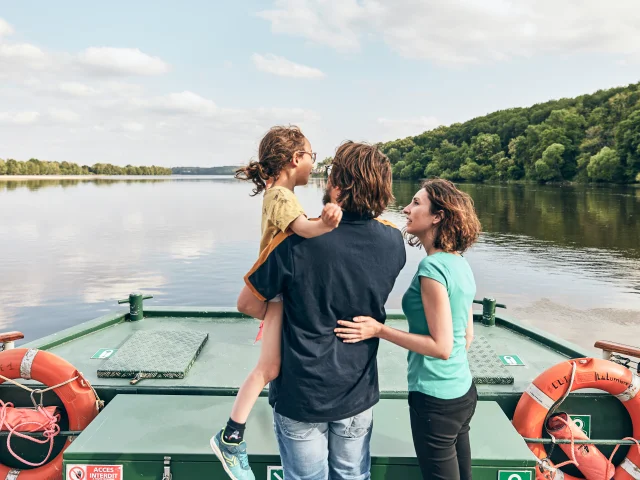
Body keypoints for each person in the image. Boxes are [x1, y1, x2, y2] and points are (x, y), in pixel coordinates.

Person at [236, 141, 406, 480]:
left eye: (330, 177)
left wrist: (287, 311)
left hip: (302, 392)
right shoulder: (393, 241)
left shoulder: (297, 241)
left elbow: (248, 303)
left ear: (339, 187)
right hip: (357, 389)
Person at [210, 125, 343, 480]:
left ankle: (232, 436)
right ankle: (230, 438)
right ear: (294, 159)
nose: (314, 164)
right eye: (311, 157)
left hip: (277, 291)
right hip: (278, 290)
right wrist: (328, 222)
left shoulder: (277, 193)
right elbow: (302, 230)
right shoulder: (282, 197)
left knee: (268, 368)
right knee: (266, 369)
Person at [334, 178, 481, 480]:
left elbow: (441, 348)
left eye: (416, 203)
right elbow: (466, 336)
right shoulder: (459, 263)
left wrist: (378, 330)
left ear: (438, 216)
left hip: (435, 399)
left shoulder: (432, 269)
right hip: (463, 393)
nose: (406, 208)